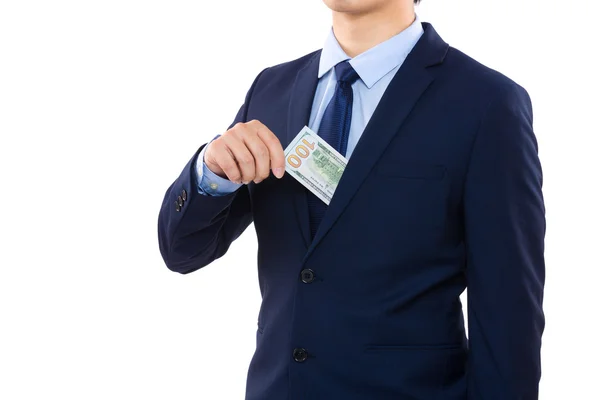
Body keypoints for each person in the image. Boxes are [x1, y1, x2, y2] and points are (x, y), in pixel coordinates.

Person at [157, 0, 546, 398]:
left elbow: (508, 319)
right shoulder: (272, 89)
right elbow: (183, 252)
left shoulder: (486, 103)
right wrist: (211, 172)